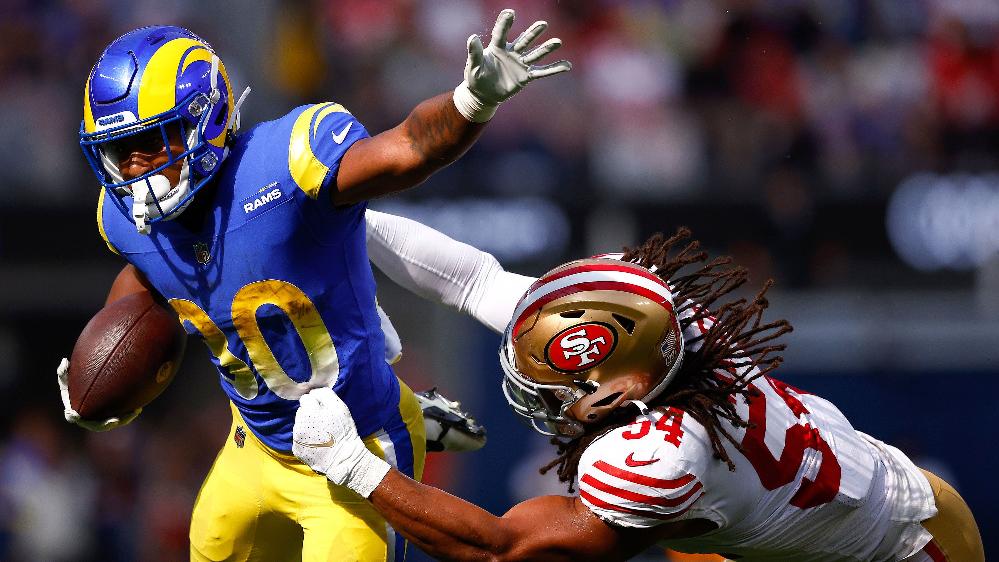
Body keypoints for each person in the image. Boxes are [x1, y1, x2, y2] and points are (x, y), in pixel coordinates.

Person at [58, 10, 570, 561]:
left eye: (153, 144)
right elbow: (141, 278)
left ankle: (409, 410)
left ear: (203, 121)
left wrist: (471, 102)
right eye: (118, 153)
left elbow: (409, 148)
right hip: (253, 444)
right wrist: (102, 365)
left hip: (354, 445)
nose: (135, 173)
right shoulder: (122, 219)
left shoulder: (284, 165)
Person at [295, 214, 986, 561]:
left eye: (549, 389)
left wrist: (353, 465)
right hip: (824, 507)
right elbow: (473, 280)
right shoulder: (656, 326)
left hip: (902, 548)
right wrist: (327, 218)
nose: (538, 399)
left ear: (616, 395)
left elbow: (499, 548)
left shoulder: (658, 457)